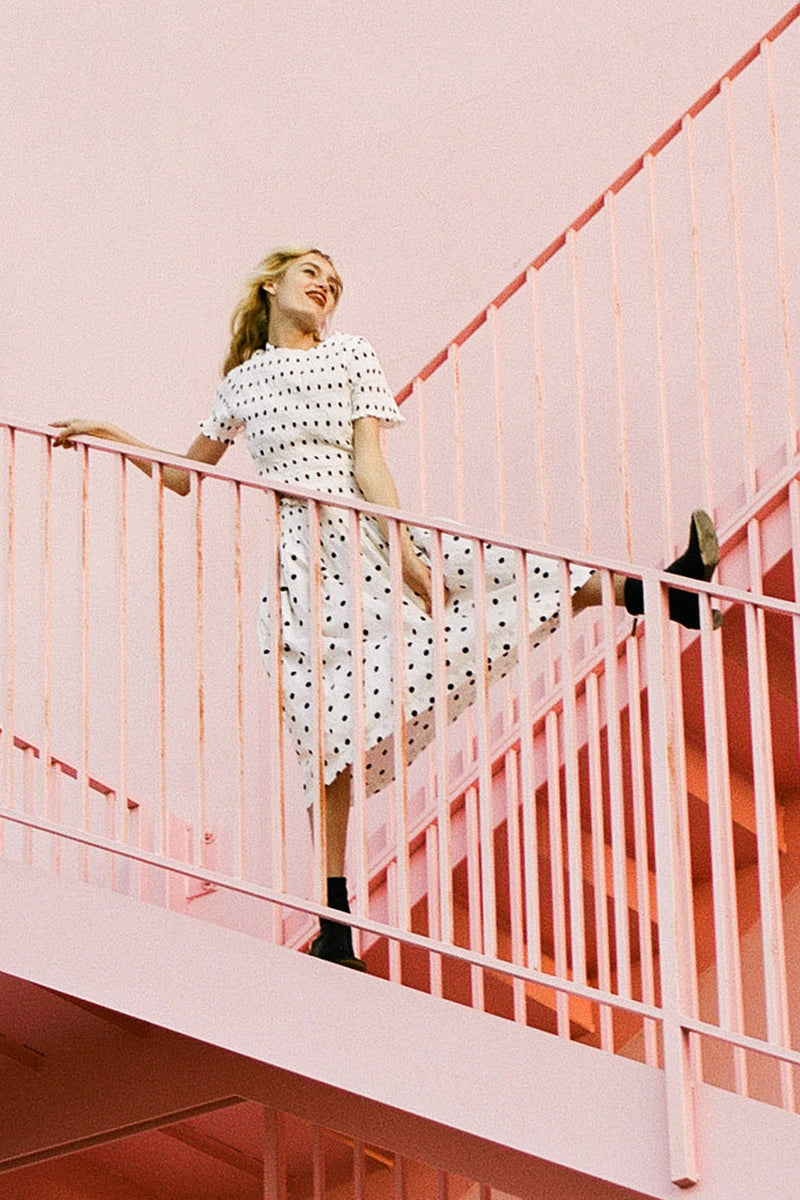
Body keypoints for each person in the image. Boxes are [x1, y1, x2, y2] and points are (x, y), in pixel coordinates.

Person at [52, 245, 720, 973]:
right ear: (271, 286)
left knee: (503, 575)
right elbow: (188, 476)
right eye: (312, 273)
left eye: (334, 281)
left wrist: (401, 551)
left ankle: (662, 590)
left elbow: (370, 460)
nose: (325, 285)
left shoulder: (351, 357)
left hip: (363, 533)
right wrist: (107, 435)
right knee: (321, 735)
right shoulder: (241, 383)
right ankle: (335, 917)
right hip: (300, 572)